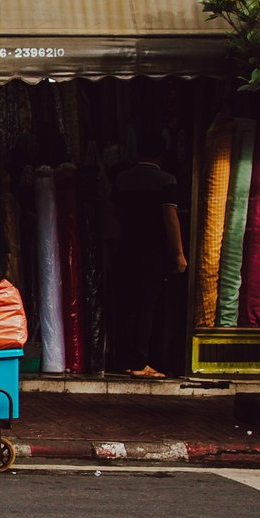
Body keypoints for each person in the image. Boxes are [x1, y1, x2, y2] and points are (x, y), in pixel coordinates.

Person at [112, 141, 187, 377]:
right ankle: (139, 363)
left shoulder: (122, 179)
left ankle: (125, 359)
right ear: (162, 156)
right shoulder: (167, 180)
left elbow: (113, 212)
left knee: (127, 306)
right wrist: (178, 252)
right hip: (152, 250)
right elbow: (170, 216)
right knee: (146, 306)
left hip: (125, 247)